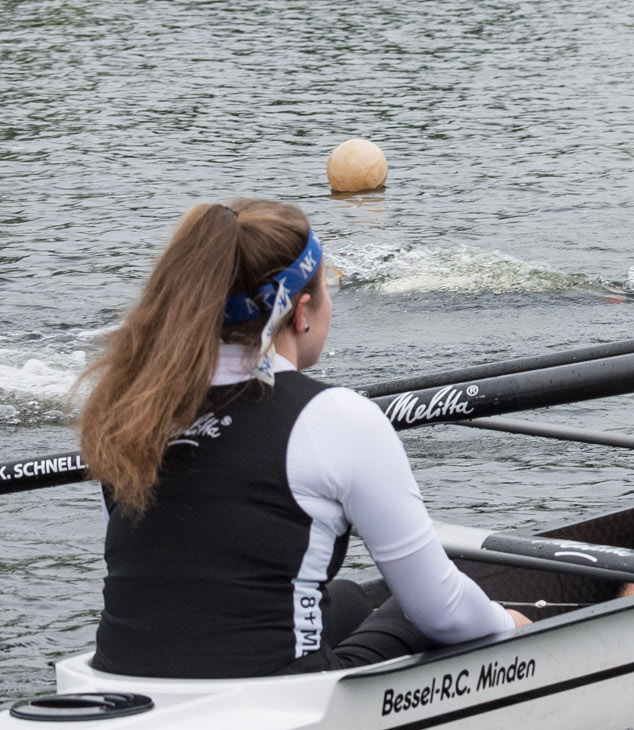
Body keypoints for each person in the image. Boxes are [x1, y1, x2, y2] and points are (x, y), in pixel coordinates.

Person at [78, 199, 523, 679]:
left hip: (118, 678)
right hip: (277, 696)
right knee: (441, 602)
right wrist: (515, 627)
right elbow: (443, 613)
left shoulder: (125, 412)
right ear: (300, 312)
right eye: (327, 287)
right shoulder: (337, 417)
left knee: (349, 600)